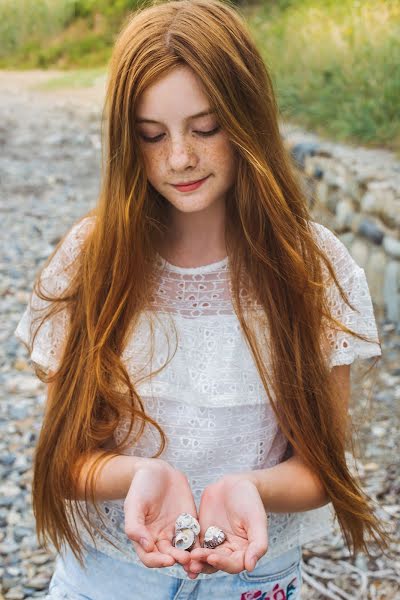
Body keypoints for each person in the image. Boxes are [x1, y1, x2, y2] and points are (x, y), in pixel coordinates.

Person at [14, 0, 389, 598]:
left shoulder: (311, 267)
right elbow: (61, 461)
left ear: (248, 120)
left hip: (254, 574)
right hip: (108, 576)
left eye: (206, 128)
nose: (180, 157)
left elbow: (322, 470)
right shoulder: (94, 260)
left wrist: (249, 488)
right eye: (151, 136)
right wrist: (139, 475)